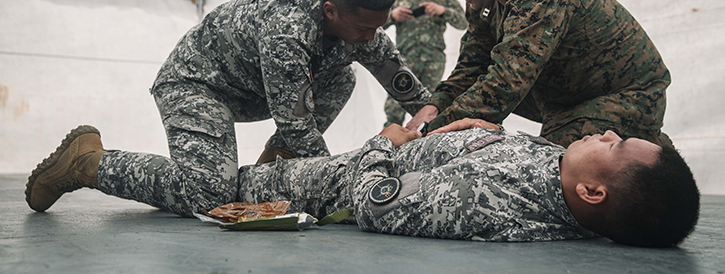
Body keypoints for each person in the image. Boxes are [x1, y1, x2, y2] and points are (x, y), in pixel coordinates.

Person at [25, 0, 431, 216]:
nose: (371, 38)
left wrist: (438, 114)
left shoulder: (359, 28)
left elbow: (401, 81)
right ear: (330, 9)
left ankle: (268, 178)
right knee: (211, 196)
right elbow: (297, 127)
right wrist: (335, 184)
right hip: (197, 85)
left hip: (246, 87)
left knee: (344, 74)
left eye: (377, 28)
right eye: (364, 28)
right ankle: (87, 162)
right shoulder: (287, 31)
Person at [406, 0, 672, 148]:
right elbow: (472, 65)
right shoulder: (481, 2)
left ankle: (647, 143)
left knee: (553, 165)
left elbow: (505, 83)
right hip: (566, 95)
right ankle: (642, 146)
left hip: (628, 96)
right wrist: (436, 105)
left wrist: (426, 135)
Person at [238, 120, 700, 247]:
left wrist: (382, 141)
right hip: (383, 156)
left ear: (594, 193)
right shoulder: (564, 181)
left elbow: (374, 205)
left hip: (330, 183)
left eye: (615, 147)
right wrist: (491, 135)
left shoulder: (487, 200)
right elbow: (534, 159)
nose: (607, 134)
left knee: (221, 185)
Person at [382, 0, 467, 127]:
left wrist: (443, 11)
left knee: (429, 108)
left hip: (432, 62)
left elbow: (464, 22)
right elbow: (375, 25)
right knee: (394, 108)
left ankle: (425, 143)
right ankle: (389, 144)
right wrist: (393, 15)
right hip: (403, 61)